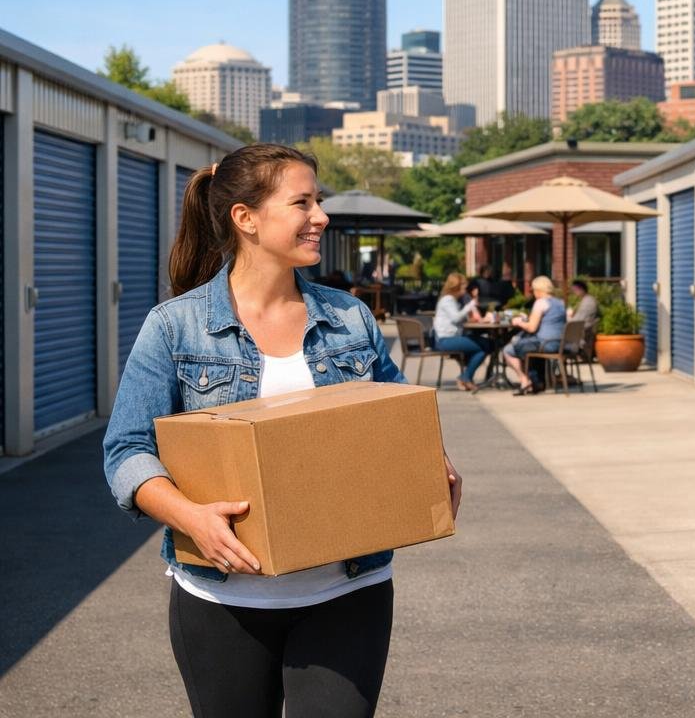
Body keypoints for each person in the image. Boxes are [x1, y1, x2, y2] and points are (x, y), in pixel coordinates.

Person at [101, 143, 462, 718]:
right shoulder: (176, 327)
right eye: (303, 202)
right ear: (246, 219)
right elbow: (126, 451)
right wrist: (191, 517)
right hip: (222, 598)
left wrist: (430, 463)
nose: (321, 216)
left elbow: (400, 412)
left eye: (318, 200)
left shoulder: (350, 317)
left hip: (349, 590)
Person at [502, 275, 566, 395]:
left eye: (532, 290)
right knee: (524, 344)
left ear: (538, 290)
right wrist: (528, 318)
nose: (532, 293)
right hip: (559, 343)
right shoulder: (560, 303)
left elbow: (531, 328)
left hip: (545, 344)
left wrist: (519, 322)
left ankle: (525, 380)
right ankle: (537, 381)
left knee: (508, 349)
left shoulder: (540, 302)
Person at [433, 272, 492, 394]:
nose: (465, 290)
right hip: (445, 341)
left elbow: (456, 319)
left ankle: (465, 377)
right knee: (486, 345)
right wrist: (470, 305)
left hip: (451, 338)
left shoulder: (452, 299)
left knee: (483, 347)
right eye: (463, 287)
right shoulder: (447, 300)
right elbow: (456, 318)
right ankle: (465, 377)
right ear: (456, 287)